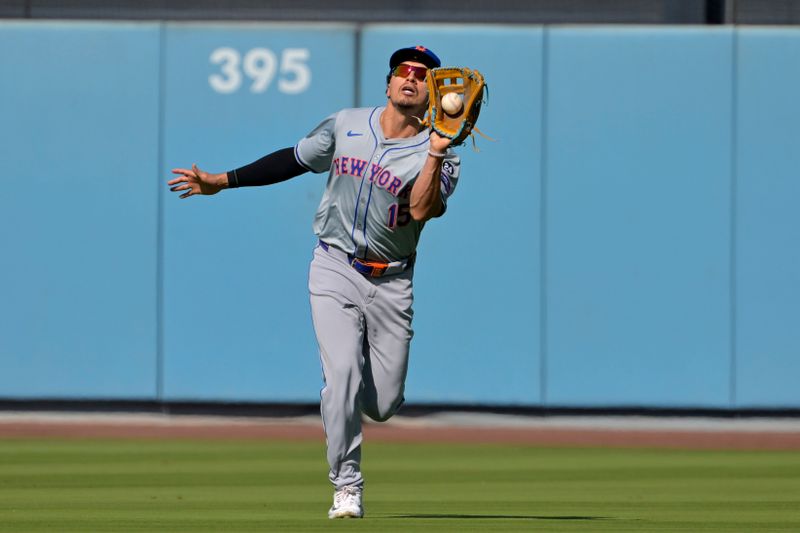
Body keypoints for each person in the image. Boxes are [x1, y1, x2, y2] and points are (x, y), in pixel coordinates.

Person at [167, 45, 460, 519]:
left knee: (383, 404)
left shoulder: (444, 157)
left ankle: (359, 380)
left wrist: (435, 151)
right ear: (388, 84)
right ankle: (347, 485)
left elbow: (425, 209)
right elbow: (295, 159)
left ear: (434, 93)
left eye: (424, 75)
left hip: (391, 282)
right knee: (341, 376)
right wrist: (222, 180)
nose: (412, 78)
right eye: (404, 70)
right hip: (335, 266)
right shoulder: (346, 124)